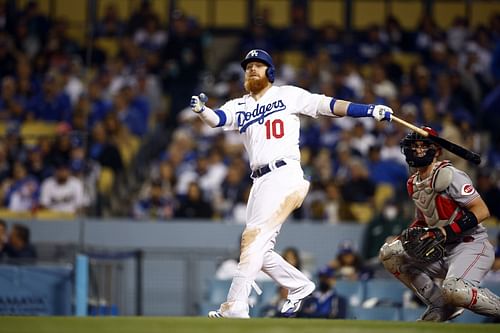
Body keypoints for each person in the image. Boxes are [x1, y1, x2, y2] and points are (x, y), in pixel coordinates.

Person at [190, 49, 393, 318]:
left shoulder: (287, 94)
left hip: (283, 174)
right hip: (260, 181)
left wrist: (368, 109)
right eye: (248, 66)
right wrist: (203, 110)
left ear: (270, 72)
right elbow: (218, 119)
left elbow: (328, 105)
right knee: (257, 249)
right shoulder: (240, 105)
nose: (252, 69)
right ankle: (299, 285)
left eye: (258, 65)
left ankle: (236, 305)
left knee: (253, 241)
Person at [379, 127, 500, 322]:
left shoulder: (450, 175)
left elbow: (481, 211)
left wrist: (445, 231)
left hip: (470, 245)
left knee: (456, 291)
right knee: (390, 253)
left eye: (423, 146)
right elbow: (424, 219)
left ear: (435, 150)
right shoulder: (413, 182)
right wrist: (406, 235)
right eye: (414, 146)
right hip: (440, 247)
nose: (418, 150)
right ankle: (441, 306)